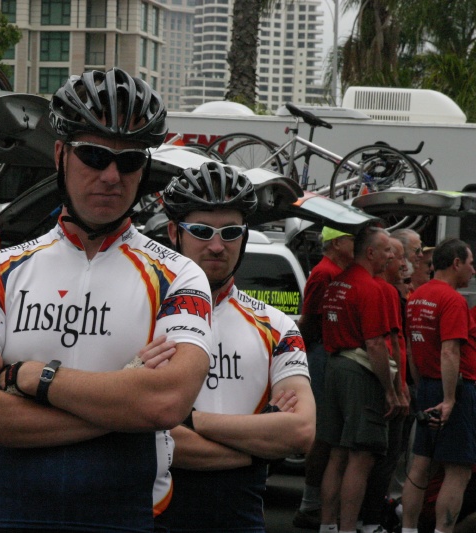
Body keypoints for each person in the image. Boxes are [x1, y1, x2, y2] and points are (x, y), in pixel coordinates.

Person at [0, 67, 213, 532]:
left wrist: (33, 377)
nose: (111, 175)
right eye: (93, 155)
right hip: (15, 517)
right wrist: (123, 402)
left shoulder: (179, 275)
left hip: (126, 518)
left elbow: (166, 404)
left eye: (129, 161)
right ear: (60, 155)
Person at [152, 161, 315, 532]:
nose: (216, 246)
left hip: (240, 520)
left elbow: (301, 431)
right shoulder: (145, 313)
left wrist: (187, 419)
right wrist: (256, 450)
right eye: (201, 231)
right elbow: (137, 433)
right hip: (155, 519)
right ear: (175, 232)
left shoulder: (277, 326)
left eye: (230, 232)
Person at [318, 225, 402, 533]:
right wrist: (390, 391)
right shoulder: (370, 288)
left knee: (337, 454)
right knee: (361, 456)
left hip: (334, 367)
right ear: (370, 252)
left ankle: (327, 525)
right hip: (358, 372)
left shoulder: (337, 284)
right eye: (386, 250)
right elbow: (376, 344)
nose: (390, 256)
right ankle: (348, 528)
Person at [401, 238, 476, 533]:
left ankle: (408, 529)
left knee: (421, 465)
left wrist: (424, 388)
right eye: (470, 263)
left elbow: (412, 349)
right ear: (456, 263)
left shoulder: (417, 296)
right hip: (454, 390)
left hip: (429, 386)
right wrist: (450, 399)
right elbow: (450, 351)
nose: (473, 270)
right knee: (458, 470)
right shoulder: (453, 300)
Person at [294, 227, 355, 530]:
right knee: (323, 431)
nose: (355, 245)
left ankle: (316, 503)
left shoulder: (336, 271)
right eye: (352, 240)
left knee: (331, 431)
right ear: (337, 243)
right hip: (320, 351)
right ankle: (310, 503)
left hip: (327, 351)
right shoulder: (324, 273)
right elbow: (308, 319)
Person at [359, 236, 412, 533]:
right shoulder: (384, 290)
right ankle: (371, 520)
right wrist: (398, 388)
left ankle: (361, 519)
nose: (402, 262)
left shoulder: (383, 288)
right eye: (395, 254)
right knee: (384, 456)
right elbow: (390, 343)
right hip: (385, 382)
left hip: (375, 379)